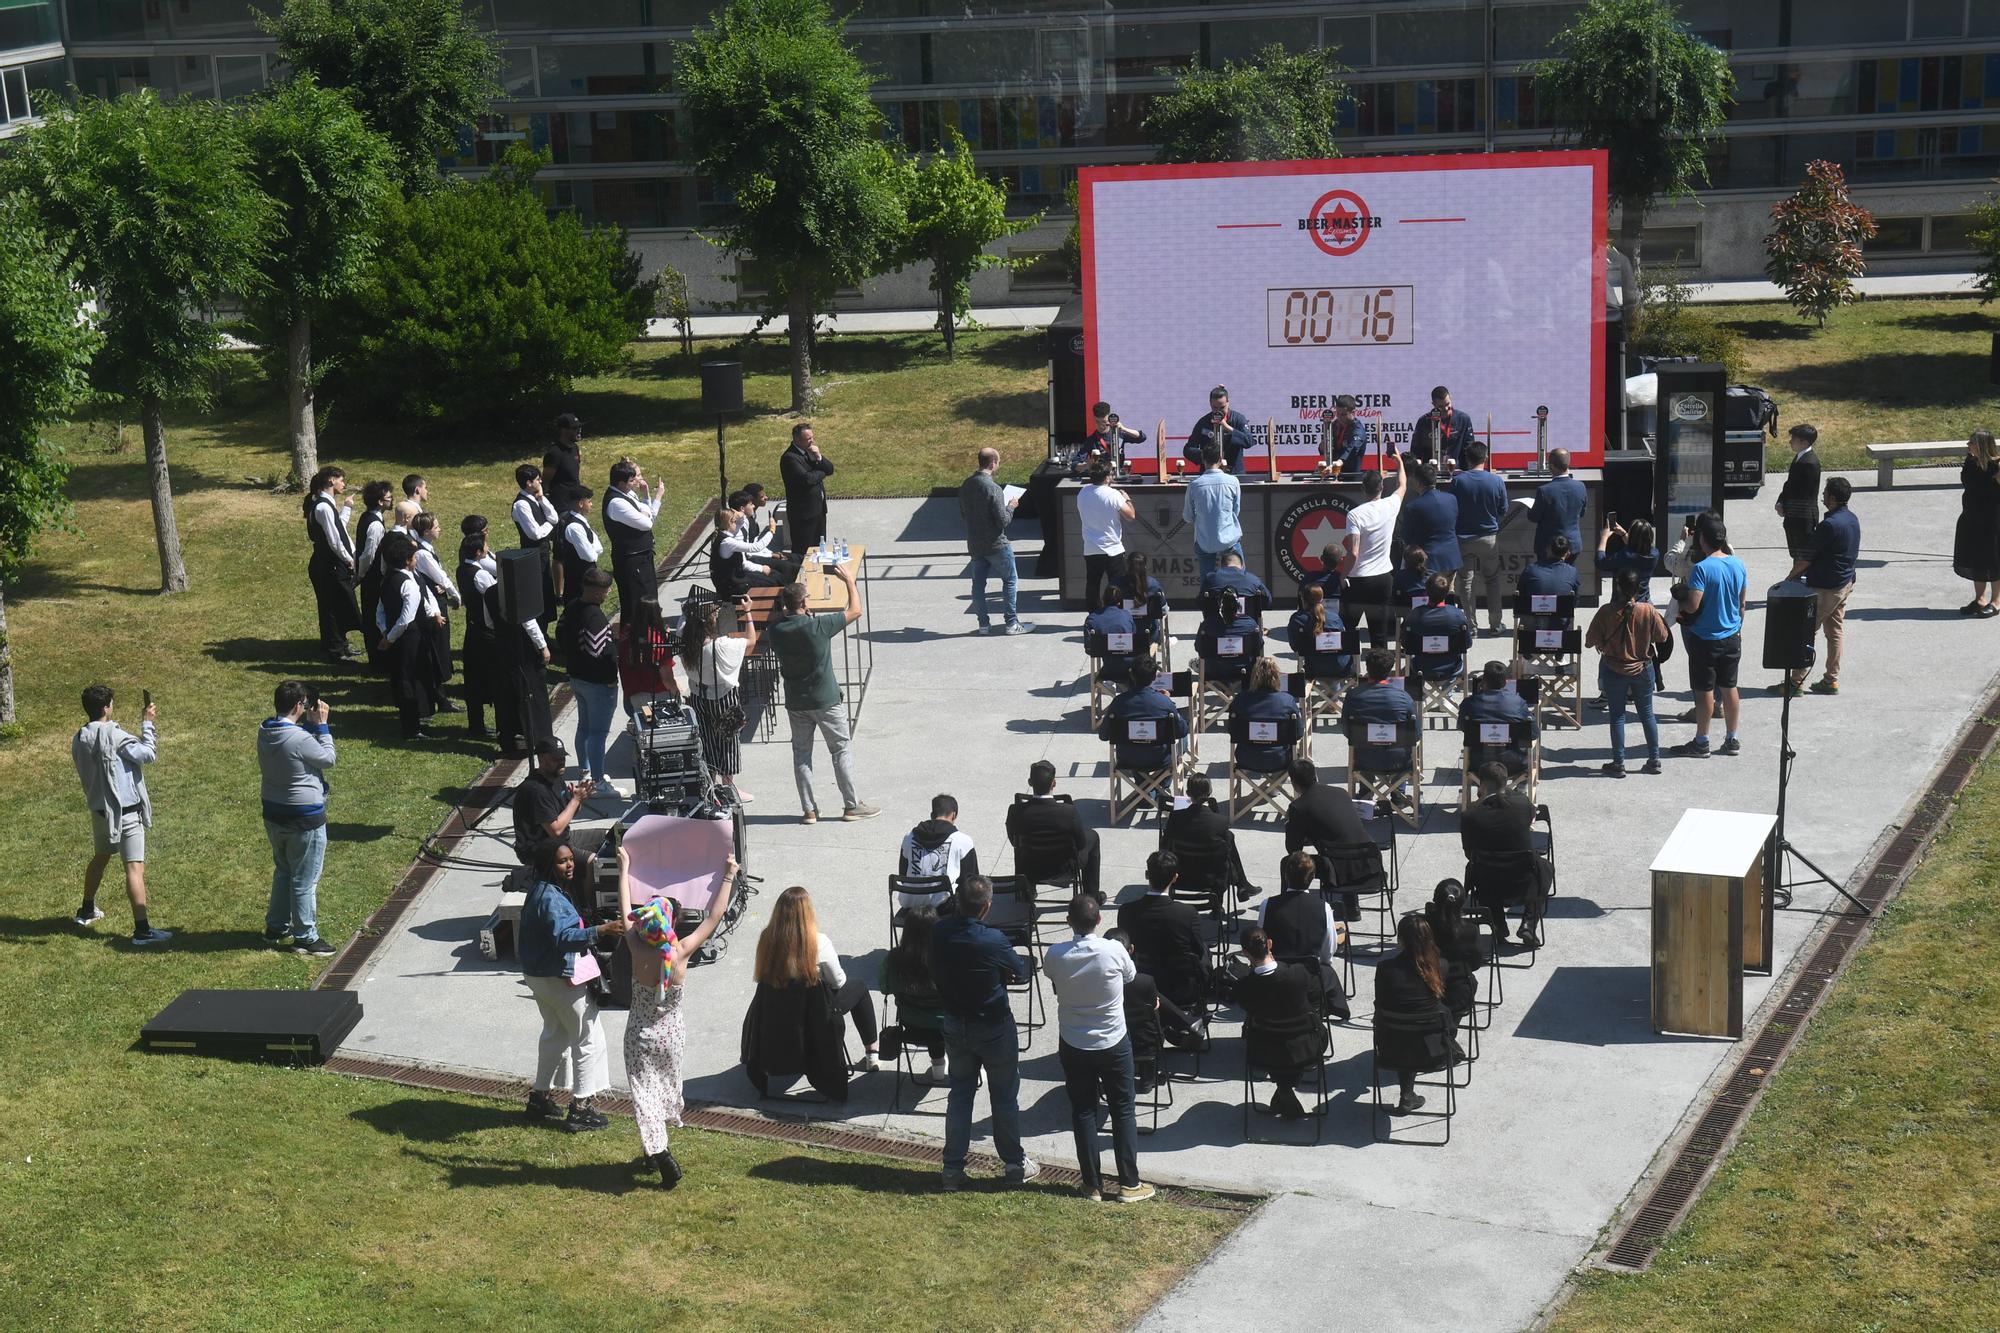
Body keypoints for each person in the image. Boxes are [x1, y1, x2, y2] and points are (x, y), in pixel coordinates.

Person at [618, 842, 738, 1190]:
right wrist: (729, 874)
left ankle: (661, 1154)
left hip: (640, 1037)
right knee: (661, 1090)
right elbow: (714, 917)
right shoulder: (680, 953)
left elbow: (625, 908)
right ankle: (651, 1148)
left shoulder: (636, 947)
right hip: (671, 1036)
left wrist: (624, 869)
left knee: (644, 1095)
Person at [929, 875, 1037, 1190]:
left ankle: (951, 1170)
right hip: (993, 1027)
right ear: (986, 907)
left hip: (954, 1023)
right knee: (1004, 1097)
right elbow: (1020, 969)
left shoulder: (939, 932)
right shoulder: (993, 940)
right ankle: (1014, 1165)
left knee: (960, 1094)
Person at [1045, 894, 1151, 1203]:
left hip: (1074, 1043)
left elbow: (1053, 979)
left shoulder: (1056, 954)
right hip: (1113, 1042)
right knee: (1123, 1110)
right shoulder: (1115, 950)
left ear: (1069, 922)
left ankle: (1092, 1184)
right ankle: (1129, 1183)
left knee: (1084, 1111)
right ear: (1100, 920)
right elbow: (1130, 977)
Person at [519, 841, 626, 1133]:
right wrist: (602, 930)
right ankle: (581, 1107)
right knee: (588, 1037)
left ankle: (540, 1097)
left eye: (570, 860)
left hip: (538, 976)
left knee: (555, 1033)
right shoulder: (551, 898)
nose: (570, 865)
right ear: (546, 866)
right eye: (562, 862)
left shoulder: (538, 890)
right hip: (559, 977)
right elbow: (565, 937)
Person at [769, 569, 879, 822]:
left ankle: (809, 809)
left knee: (801, 754)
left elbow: (780, 622)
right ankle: (851, 806)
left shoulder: (777, 631)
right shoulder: (818, 626)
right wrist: (850, 581)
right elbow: (855, 610)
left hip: (796, 702)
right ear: (805, 603)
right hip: (826, 700)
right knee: (840, 750)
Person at [71, 684, 169, 945]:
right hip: (125, 814)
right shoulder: (115, 737)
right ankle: (142, 931)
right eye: (111, 703)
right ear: (105, 708)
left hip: (100, 812)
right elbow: (147, 754)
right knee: (134, 868)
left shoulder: (80, 737)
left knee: (101, 856)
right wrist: (147, 724)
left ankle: (87, 909)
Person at [755, 885, 882, 1071]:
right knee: (859, 987)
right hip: (814, 1013)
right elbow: (838, 982)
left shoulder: (767, 938)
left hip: (779, 1010)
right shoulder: (818, 942)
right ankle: (872, 1053)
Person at [256, 681, 337, 955]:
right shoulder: (300, 738)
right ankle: (306, 937)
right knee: (304, 879)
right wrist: (322, 726)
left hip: (274, 814)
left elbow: (302, 749)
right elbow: (326, 758)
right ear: (299, 705)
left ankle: (277, 927)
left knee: (284, 871)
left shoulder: (266, 729)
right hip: (304, 819)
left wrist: (311, 727)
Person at [1674, 514, 1749, 757]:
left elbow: (1693, 605)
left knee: (1704, 690)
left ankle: (1702, 741)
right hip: (1732, 636)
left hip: (1705, 638)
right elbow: (1742, 604)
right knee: (1729, 687)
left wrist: (1681, 601)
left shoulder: (1701, 568)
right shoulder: (1738, 564)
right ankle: (1732, 738)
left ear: (1703, 539)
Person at [1234, 927, 1327, 1120]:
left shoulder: (1243, 987)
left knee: (1279, 1045)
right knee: (1300, 1038)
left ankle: (1283, 1091)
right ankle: (1285, 1090)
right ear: (1269, 944)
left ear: (1245, 953)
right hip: (1307, 1047)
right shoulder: (1299, 973)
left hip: (1264, 1050)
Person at [1782, 476, 1859, 696]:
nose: (1823, 496)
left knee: (1804, 632)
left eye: (1825, 493)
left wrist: (1788, 579)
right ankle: (1831, 680)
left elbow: (1805, 559)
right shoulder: (1852, 519)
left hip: (1826, 587)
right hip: (1845, 583)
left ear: (1832, 498)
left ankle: (1796, 682)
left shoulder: (1828, 525)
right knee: (1834, 632)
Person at [1588, 569, 1670, 775]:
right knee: (1647, 714)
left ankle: (1619, 763)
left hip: (1614, 668)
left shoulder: (1606, 612)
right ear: (1637, 589)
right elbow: (1662, 636)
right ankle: (1654, 759)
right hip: (1643, 668)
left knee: (1617, 717)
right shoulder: (1648, 610)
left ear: (1618, 587)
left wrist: (1603, 643)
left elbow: (1589, 640)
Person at [1374, 912, 1454, 1115]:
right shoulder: (1440, 967)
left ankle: (1407, 1093)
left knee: (1406, 1029)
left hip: (1391, 1048)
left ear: (1400, 940)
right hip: (1432, 1052)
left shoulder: (1385, 969)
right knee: (1438, 1015)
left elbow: (1380, 1003)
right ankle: (1407, 1094)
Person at [1462, 761, 1547, 948]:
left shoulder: (1470, 816)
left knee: (1481, 867)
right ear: (1506, 782)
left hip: (1488, 886)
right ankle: (1529, 923)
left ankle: (1499, 925)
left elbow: (1469, 853)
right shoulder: (1523, 804)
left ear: (1482, 785)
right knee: (1545, 868)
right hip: (1523, 882)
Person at [681, 596, 757, 800]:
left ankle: (710, 786)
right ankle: (728, 787)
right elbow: (751, 642)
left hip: (698, 696)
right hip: (723, 697)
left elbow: (685, 621)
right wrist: (748, 612)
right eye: (715, 614)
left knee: (705, 741)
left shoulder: (685, 639)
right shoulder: (721, 646)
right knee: (728, 741)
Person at [1259, 850, 1350, 1017]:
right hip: (1309, 981)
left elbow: (1261, 945)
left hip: (1275, 978)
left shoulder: (1267, 905)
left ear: (1286, 876)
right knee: (1328, 971)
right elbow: (1328, 952)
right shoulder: (1324, 908)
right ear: (1312, 877)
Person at [1116, 850, 1210, 1012]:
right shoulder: (1187, 914)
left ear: (1147, 875)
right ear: (1175, 878)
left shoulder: (1126, 911)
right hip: (1181, 990)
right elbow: (1197, 950)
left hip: (1142, 989)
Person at [558, 568, 622, 798]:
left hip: (577, 678)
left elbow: (561, 633)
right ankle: (597, 783)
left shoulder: (573, 605)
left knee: (584, 727)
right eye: (606, 589)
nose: (609, 592)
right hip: (598, 684)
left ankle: (586, 772)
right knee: (598, 732)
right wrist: (609, 678)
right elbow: (598, 652)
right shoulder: (594, 616)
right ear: (597, 593)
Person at [1285, 757, 1373, 921]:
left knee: (1289, 862)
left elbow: (1293, 849)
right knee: (1345, 847)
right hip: (1369, 863)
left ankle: (1291, 909)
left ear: (1294, 783)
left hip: (1337, 871)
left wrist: (1291, 824)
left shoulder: (1298, 807)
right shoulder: (1341, 793)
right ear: (1315, 776)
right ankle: (1352, 907)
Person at [374, 533, 443, 738]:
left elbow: (380, 610)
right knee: (409, 678)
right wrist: (390, 637)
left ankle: (412, 720)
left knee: (402, 677)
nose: (415, 561)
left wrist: (384, 630)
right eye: (413, 558)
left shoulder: (387, 580)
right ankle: (412, 726)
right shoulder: (409, 584)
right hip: (409, 637)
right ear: (407, 561)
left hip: (395, 636)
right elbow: (406, 618)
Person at [1007, 758, 1102, 900]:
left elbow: (1014, 841)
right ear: (1054, 783)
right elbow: (1081, 844)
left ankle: (1028, 890)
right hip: (1063, 869)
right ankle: (1091, 896)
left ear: (1030, 783)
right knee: (1093, 837)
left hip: (1029, 868)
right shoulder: (1068, 812)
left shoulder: (1015, 811)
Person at [959, 447, 1029, 635]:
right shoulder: (993, 488)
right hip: (996, 544)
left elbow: (964, 513)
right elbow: (1003, 520)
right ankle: (1011, 623)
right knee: (1010, 580)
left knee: (978, 585)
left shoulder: (966, 485)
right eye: (998, 461)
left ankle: (983, 624)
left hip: (975, 543)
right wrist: (1011, 506)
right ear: (993, 463)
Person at [1342, 456, 1409, 648]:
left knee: (1346, 631)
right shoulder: (1391, 505)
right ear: (1381, 488)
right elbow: (1402, 484)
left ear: (1363, 489)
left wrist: (1343, 576)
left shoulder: (1355, 514)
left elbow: (1353, 553)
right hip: (1382, 579)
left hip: (1357, 580)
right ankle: (1380, 675)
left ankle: (1346, 673)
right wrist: (1399, 463)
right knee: (1379, 635)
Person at [881, 903, 951, 1086]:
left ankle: (938, 1067)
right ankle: (961, 1068)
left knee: (929, 1015)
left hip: (911, 1025)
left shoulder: (894, 959)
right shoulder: (947, 958)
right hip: (948, 1027)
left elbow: (884, 988)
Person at [1162, 772, 1255, 902]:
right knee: (1228, 837)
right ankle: (1240, 884)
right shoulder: (1221, 822)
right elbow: (1225, 855)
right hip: (1211, 879)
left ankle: (1242, 884)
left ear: (1188, 793)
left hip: (1180, 876)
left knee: (1228, 837)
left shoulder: (1175, 818)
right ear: (1209, 793)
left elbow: (1164, 847)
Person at [1449, 441, 1510, 633]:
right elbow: (1503, 509)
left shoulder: (1458, 481)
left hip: (1463, 538)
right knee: (1492, 580)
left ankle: (1470, 625)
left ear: (1466, 459)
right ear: (1486, 458)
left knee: (1465, 582)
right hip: (1488, 538)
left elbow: (1453, 508)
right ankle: (1495, 623)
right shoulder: (1496, 481)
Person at [1098, 653, 1190, 777]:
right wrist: (1170, 702)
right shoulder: (1164, 703)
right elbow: (1182, 731)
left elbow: (1104, 735)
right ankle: (1158, 787)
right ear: (1154, 677)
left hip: (1127, 758)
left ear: (1131, 675)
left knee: (1135, 746)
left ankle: (1146, 788)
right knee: (1183, 736)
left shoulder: (1118, 703)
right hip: (1160, 759)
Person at [303, 465, 361, 660]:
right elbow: (334, 540)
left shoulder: (325, 505)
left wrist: (346, 508)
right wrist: (348, 559)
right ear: (331, 481)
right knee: (332, 607)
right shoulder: (322, 507)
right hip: (328, 565)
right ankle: (336, 650)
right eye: (341, 480)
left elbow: (338, 528)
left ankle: (338, 644)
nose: (343, 483)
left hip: (328, 563)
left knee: (336, 605)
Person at [409, 512, 461, 713]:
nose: (439, 529)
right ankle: (440, 697)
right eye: (436, 526)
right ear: (426, 531)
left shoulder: (426, 550)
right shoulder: (422, 553)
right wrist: (456, 595)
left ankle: (440, 695)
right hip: (433, 608)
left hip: (436, 601)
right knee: (437, 651)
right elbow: (441, 577)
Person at [512, 738, 592, 866]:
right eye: (556, 758)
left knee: (610, 838)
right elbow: (555, 831)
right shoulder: (536, 790)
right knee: (593, 862)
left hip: (562, 840)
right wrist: (575, 800)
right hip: (542, 851)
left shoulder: (556, 778)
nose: (561, 762)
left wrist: (578, 799)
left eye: (563, 758)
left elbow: (567, 815)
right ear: (542, 759)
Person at [602, 458, 663, 613]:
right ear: (621, 483)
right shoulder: (616, 502)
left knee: (650, 599)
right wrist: (645, 514)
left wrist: (646, 504)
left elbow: (648, 513)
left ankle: (651, 632)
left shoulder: (628, 494)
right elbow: (647, 524)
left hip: (642, 557)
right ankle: (637, 636)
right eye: (632, 479)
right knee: (637, 604)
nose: (637, 481)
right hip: (631, 561)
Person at [456, 532, 501, 740]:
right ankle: (501, 725)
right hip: (485, 631)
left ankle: (476, 725)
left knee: (473, 679)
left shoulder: (461, 569)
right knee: (493, 676)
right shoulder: (480, 575)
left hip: (472, 628)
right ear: (478, 552)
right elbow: (495, 597)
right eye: (485, 547)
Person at [1459, 659, 1537, 775]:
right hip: (1515, 763)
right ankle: (1521, 783)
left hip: (1479, 763)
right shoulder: (1517, 702)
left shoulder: (1469, 703)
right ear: (1506, 682)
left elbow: (1462, 727)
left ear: (1483, 681)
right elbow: (1534, 733)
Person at [1953, 428, 2000, 615]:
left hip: (1993, 520)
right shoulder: (1970, 461)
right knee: (1976, 559)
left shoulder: (1997, 466)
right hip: (1971, 517)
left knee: (1994, 559)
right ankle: (1979, 599)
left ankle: (1996, 601)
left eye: (1971, 442)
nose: (1968, 445)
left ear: (1981, 445)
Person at [900, 793, 979, 905]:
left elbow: (903, 875)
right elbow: (971, 882)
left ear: (932, 815)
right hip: (946, 910)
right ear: (953, 815)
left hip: (911, 906)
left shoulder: (909, 837)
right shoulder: (963, 841)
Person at [1424, 879, 1484, 1022]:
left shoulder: (1421, 926)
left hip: (1424, 990)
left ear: (1434, 899)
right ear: (1462, 903)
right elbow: (1475, 964)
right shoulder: (1470, 931)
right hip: (1457, 993)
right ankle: (1449, 1032)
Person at [1077, 462, 1135, 609]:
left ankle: (1093, 617)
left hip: (1091, 547)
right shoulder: (1113, 495)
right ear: (1107, 478)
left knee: (1092, 584)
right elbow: (1131, 516)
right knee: (1118, 586)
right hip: (1112, 548)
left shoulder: (1083, 492)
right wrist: (1127, 499)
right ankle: (1117, 615)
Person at [1229, 656, 1302, 770]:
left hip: (1246, 758)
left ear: (1253, 677)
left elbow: (1232, 730)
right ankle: (1275, 785)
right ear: (1277, 677)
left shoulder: (1241, 700)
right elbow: (1298, 733)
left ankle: (1268, 786)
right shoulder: (1287, 700)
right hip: (1280, 759)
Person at [1184, 441, 1244, 578]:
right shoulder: (1233, 481)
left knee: (1207, 584)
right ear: (1220, 459)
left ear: (1203, 459)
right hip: (1229, 539)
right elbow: (1236, 511)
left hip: (1204, 541)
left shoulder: (1194, 485)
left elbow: (1187, 516)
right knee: (1239, 580)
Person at [511, 463, 561, 629]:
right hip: (533, 555)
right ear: (528, 483)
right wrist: (550, 524)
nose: (541, 482)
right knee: (537, 595)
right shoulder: (521, 505)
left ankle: (545, 631)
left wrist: (541, 498)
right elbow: (535, 534)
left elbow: (553, 515)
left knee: (546, 590)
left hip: (543, 552)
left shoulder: (536, 497)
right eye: (538, 480)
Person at [617, 593, 679, 720]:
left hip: (633, 698)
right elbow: (667, 678)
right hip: (656, 699)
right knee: (657, 731)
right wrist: (678, 695)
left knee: (646, 725)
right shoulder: (658, 639)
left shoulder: (626, 634)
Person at [781, 422, 836, 560]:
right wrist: (821, 472)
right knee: (803, 552)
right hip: (803, 515)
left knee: (819, 549)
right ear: (797, 439)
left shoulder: (810, 452)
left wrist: (819, 457)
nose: (812, 441)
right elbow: (807, 480)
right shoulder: (790, 458)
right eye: (808, 439)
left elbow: (830, 469)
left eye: (812, 437)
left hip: (818, 511)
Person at [1398, 460, 1462, 580]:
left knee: (1427, 597)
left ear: (1418, 482)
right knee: (1448, 593)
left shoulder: (1413, 507)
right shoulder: (1451, 499)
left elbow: (1406, 537)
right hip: (1451, 559)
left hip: (1426, 563)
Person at [354, 479, 395, 666]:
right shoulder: (376, 525)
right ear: (380, 501)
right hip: (373, 577)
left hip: (370, 576)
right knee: (374, 617)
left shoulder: (367, 517)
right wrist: (360, 575)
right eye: (388, 497)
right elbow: (368, 555)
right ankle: (379, 660)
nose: (391, 500)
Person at [1405, 574, 1472, 682]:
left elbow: (1406, 643)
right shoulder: (1457, 615)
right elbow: (1467, 644)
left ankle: (1420, 693)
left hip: (1421, 666)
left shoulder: (1414, 615)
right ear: (1447, 593)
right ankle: (1447, 691)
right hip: (1451, 667)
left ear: (1426, 592)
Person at [1528, 449, 1587, 562]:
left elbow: (1533, 517)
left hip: (1548, 547)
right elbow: (1582, 513)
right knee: (1568, 577)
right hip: (1572, 545)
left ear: (1551, 466)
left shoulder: (1544, 491)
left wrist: (1530, 508)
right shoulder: (1581, 487)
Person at [709, 505, 780, 599]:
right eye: (734, 521)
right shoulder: (728, 542)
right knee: (772, 582)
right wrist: (771, 530)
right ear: (729, 523)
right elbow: (756, 547)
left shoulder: (722, 535)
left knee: (771, 576)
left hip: (735, 578)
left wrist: (741, 516)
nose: (736, 523)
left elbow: (738, 526)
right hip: (732, 586)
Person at [1194, 587, 1261, 684]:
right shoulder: (1251, 625)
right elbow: (1259, 646)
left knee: (1193, 662)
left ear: (1219, 604)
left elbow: (1198, 647)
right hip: (1245, 670)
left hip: (1214, 672)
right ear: (1239, 605)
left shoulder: (1207, 625)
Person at [1776, 423, 1822, 560]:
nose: (1790, 441)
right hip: (1795, 517)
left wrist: (1785, 506)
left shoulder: (1809, 463)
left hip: (1801, 519)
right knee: (1797, 554)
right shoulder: (1800, 458)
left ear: (1804, 442)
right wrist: (1780, 501)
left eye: (1794, 439)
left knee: (1802, 556)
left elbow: (1802, 494)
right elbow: (1789, 484)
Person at [1289, 583, 1354, 679]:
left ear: (1303, 600)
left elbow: (1295, 646)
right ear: (1322, 599)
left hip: (1313, 669)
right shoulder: (1335, 618)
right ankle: (1333, 691)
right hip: (1342, 669)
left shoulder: (1297, 619)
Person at [1185, 384, 1252, 475]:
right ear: (1210, 404)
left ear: (1228, 403)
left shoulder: (1238, 419)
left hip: (1234, 473)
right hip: (1209, 473)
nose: (1218, 411)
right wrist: (1207, 456)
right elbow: (1188, 449)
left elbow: (1249, 441)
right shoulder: (1203, 422)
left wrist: (1227, 427)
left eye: (1222, 407)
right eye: (1215, 408)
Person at [555, 484, 602, 611]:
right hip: (579, 582)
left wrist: (593, 548)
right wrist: (593, 549)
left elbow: (599, 547)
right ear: (581, 503)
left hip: (587, 578)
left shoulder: (582, 522)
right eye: (590, 501)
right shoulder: (574, 527)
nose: (592, 504)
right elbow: (589, 556)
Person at [1107, 550, 1168, 648]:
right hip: (1148, 635)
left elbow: (1108, 610)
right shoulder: (1153, 584)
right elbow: (1163, 610)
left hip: (1122, 636)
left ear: (1127, 566)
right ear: (1145, 566)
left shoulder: (1115, 584)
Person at [1085, 582, 1141, 681]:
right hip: (1131, 670)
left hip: (1108, 671)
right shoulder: (1127, 616)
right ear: (1119, 602)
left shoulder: (1092, 619)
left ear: (1103, 600)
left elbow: (1089, 649)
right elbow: (1135, 639)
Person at [1411, 385, 1474, 469]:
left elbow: (1469, 448)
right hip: (1430, 472)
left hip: (1456, 471)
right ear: (1433, 404)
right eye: (1440, 407)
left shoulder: (1463, 419)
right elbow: (1415, 450)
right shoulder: (1424, 421)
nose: (1446, 408)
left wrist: (1468, 473)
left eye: (1448, 404)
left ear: (1450, 398)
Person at [1201, 548, 1271, 613]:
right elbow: (1268, 602)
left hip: (1216, 624)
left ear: (1222, 566)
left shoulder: (1210, 578)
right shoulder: (1253, 579)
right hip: (1247, 624)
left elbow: (1200, 602)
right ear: (1242, 566)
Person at [1083, 401, 1147, 472]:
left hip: (1119, 475)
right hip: (1101, 477)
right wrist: (1086, 465)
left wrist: (1123, 428)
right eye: (1097, 422)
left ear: (1109, 418)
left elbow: (1142, 437)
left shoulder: (1118, 433)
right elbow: (1075, 464)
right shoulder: (1091, 440)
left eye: (1104, 422)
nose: (1101, 425)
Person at [1518, 534, 1582, 602]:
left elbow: (1520, 596)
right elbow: (1574, 600)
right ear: (1567, 554)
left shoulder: (1530, 569)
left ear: (1547, 549)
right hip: (1563, 611)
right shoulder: (1572, 572)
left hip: (1532, 611)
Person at [1319, 394, 1371, 474]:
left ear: (1353, 413)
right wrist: (1323, 446)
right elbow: (1326, 448)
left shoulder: (1358, 430)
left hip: (1350, 476)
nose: (1339, 417)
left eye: (1343, 415)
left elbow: (1351, 449)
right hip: (1332, 472)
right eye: (1337, 413)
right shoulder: (1334, 425)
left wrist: (1338, 463)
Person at [543, 412, 583, 497]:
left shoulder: (575, 448)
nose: (579, 430)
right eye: (575, 428)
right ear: (563, 430)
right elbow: (545, 482)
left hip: (574, 499)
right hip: (561, 503)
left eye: (580, 426)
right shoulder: (555, 453)